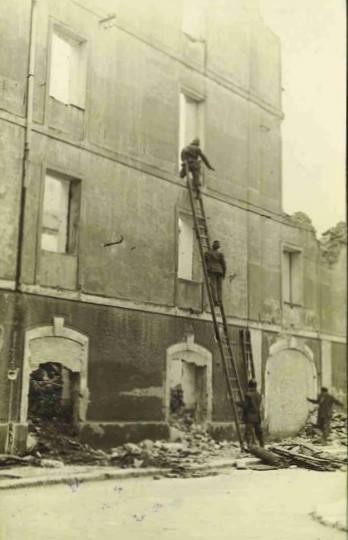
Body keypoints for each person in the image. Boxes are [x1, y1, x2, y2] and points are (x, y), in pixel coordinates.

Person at [238, 380, 264, 448]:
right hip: (257, 417)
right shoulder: (259, 395)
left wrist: (237, 403)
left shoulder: (248, 395)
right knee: (259, 433)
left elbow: (246, 406)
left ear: (249, 386)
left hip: (250, 417)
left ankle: (250, 447)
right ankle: (262, 446)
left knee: (248, 433)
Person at [204, 240, 226, 306]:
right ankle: (220, 300)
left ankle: (215, 301)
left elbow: (205, 262)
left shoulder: (207, 253)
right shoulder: (220, 254)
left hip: (212, 271)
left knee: (213, 286)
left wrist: (208, 269)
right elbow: (224, 265)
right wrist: (224, 274)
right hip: (220, 271)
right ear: (218, 247)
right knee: (219, 287)